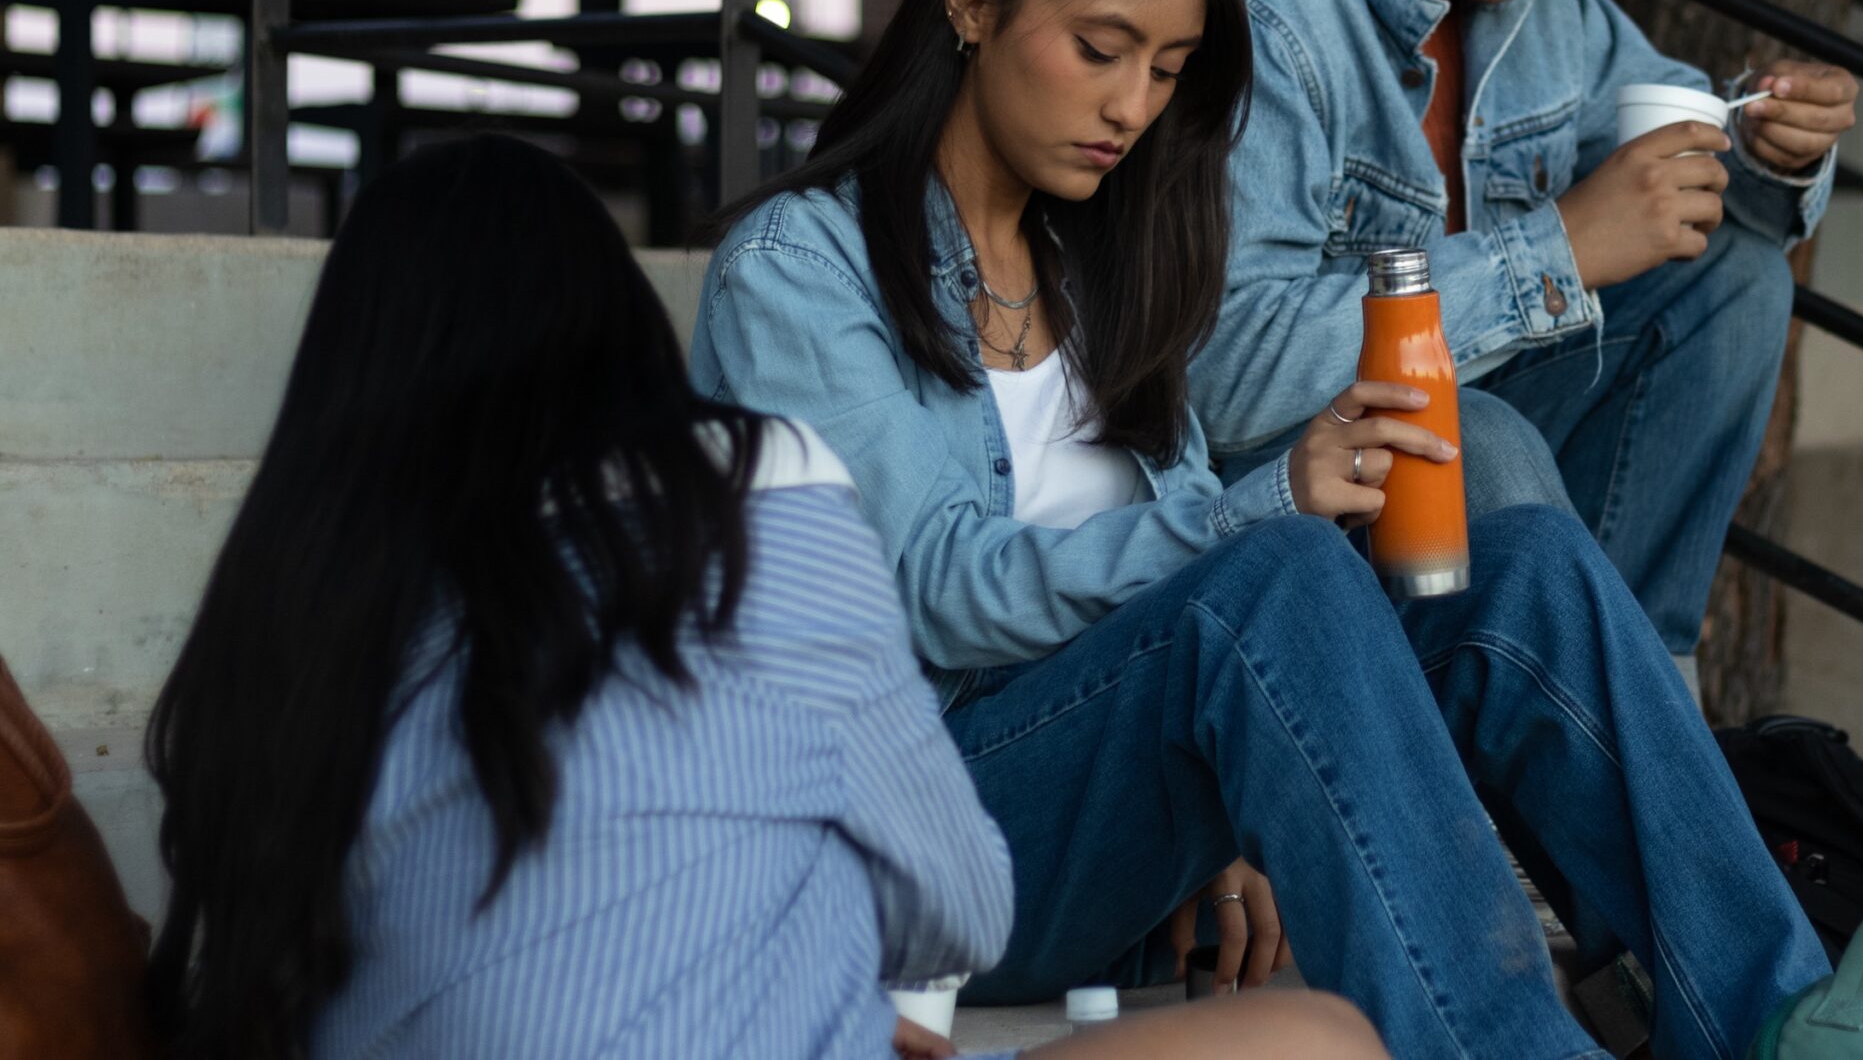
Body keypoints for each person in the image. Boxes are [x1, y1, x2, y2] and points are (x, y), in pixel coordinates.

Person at [693, 0, 1827, 1060]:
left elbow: (1179, 597)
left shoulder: (1101, 255)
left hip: (1107, 821)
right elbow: (930, 595)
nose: (1131, 107)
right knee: (1276, 570)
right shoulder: (804, 269)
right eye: (1100, 50)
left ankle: (1792, 1027)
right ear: (970, 5)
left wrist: (1245, 813)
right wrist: (1260, 508)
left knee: (1514, 563)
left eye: (1169, 69)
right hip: (925, 839)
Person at [143, 134, 1375, 1060]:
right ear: (618, 331)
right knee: (1312, 1040)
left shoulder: (282, 629)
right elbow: (962, 897)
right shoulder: (757, 507)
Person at [1195, 0, 1863, 660]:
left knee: (1734, 275)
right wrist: (1557, 251)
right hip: (1275, 491)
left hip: (1459, 461)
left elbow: (1667, 112)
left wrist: (1772, 145)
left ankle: (1624, 706)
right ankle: (1599, 747)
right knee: (1480, 434)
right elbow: (1226, 379)